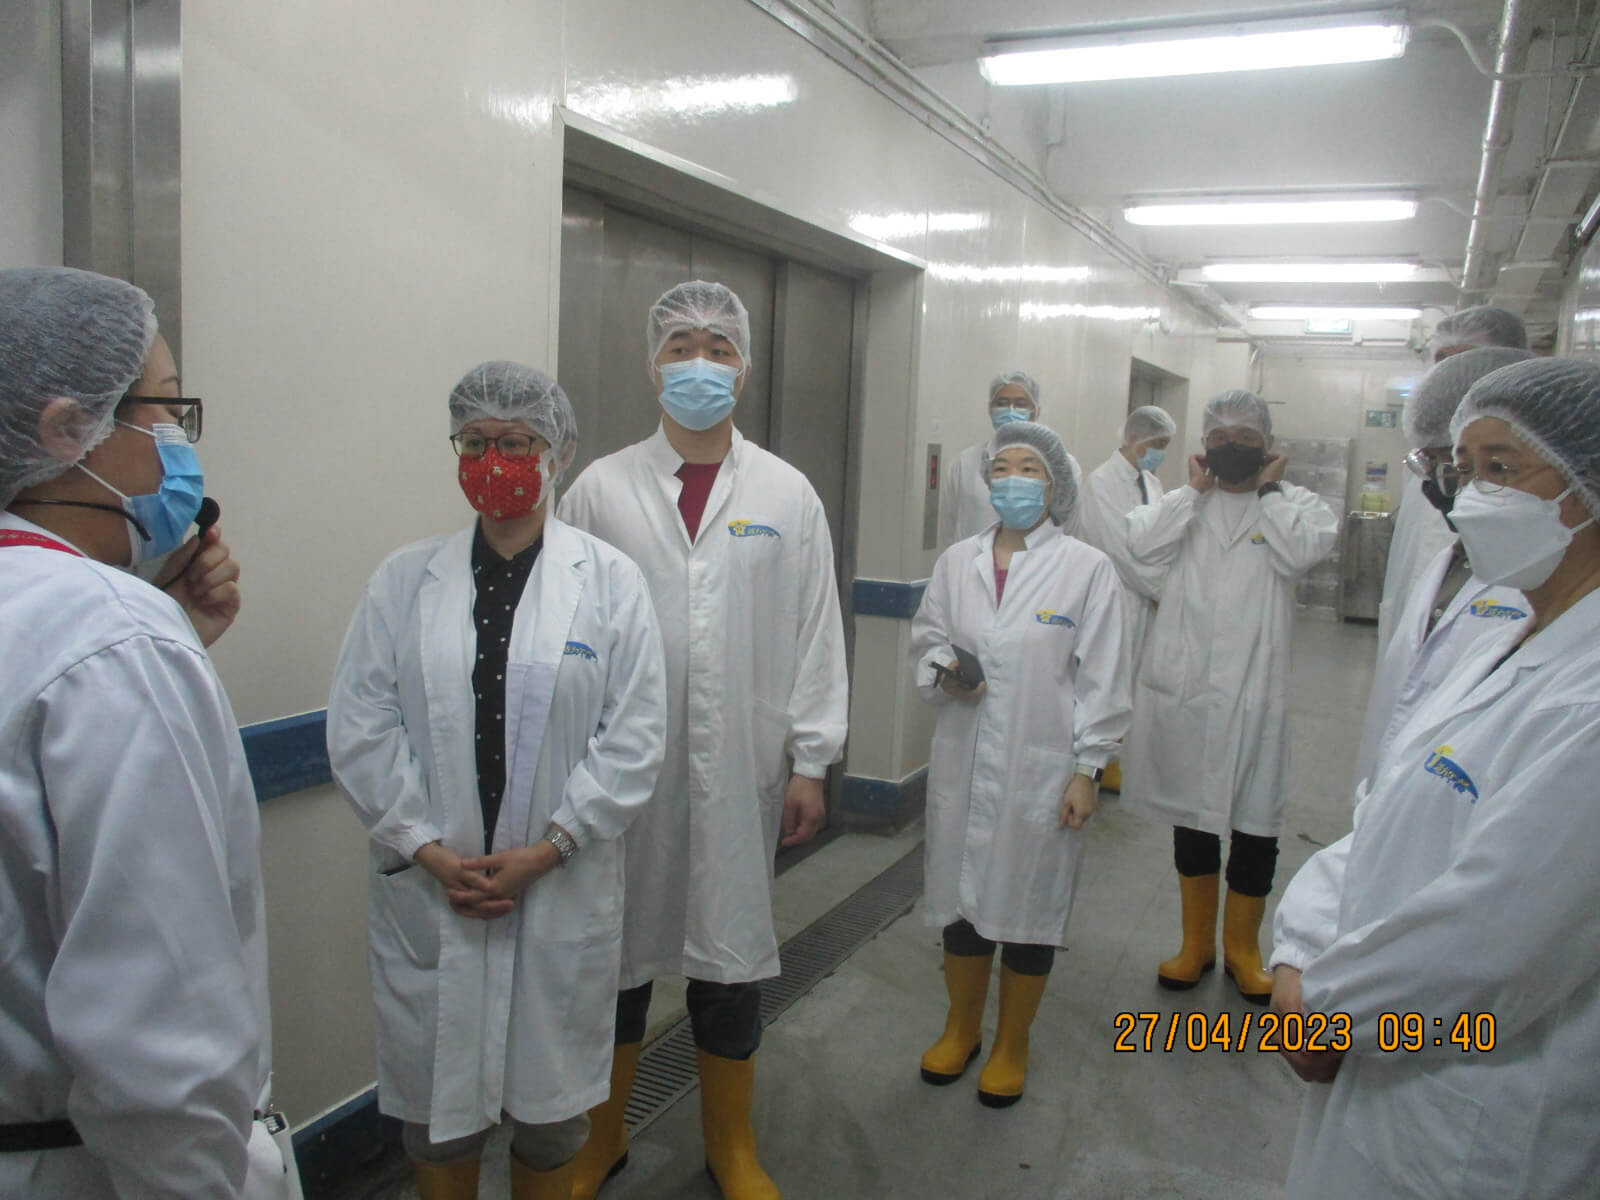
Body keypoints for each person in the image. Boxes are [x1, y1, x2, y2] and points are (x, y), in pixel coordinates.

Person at [326, 363, 667, 1200]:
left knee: (552, 1125)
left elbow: (633, 736)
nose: (493, 460)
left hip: (557, 882)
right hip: (434, 886)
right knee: (437, 1120)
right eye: (474, 442)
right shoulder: (404, 581)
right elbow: (362, 726)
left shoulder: (610, 583)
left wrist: (550, 849)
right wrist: (427, 849)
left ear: (556, 452)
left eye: (515, 440)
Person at [1270, 356, 1600, 1198]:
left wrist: (1329, 1012)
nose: (1473, 496)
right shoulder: (1505, 640)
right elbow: (1381, 813)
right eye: (1465, 469)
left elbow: (1498, 936)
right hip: (1374, 1044)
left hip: (1474, 1112)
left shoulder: (1587, 696)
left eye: (1502, 469)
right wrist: (1298, 954)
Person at [0, 266, 298, 1197]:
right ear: (68, 429)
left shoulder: (78, 624)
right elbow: (160, 1039)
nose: (176, 439)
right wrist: (152, 640)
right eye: (165, 409)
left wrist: (175, 637)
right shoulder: (114, 639)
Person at [558, 281, 849, 1200]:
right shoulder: (599, 490)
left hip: (740, 768)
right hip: (619, 772)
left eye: (719, 348)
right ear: (652, 367)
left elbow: (816, 631)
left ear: (744, 369)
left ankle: (732, 1144)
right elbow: (563, 630)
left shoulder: (786, 494)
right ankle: (601, 1136)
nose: (699, 363)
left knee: (729, 959)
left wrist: (813, 760)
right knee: (614, 960)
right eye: (680, 345)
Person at [911, 420, 1129, 1107]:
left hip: (1043, 767)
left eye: (1029, 470)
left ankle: (1012, 1043)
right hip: (963, 757)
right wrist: (944, 672)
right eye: (1002, 467)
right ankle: (961, 1028)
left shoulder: (1086, 569)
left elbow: (1103, 680)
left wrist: (1088, 770)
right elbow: (929, 639)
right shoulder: (958, 562)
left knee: (1029, 907)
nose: (1013, 480)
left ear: (1055, 486)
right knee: (962, 902)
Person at [1124, 389, 1338, 1002]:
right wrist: (1191, 493)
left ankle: (1244, 951)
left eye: (1247, 438)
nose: (1232, 447)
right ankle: (1195, 945)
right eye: (1220, 437)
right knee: (1192, 820)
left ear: (1268, 447)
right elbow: (1141, 545)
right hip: (1189, 690)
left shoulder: (1297, 506)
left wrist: (1269, 493)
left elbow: (1300, 552)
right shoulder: (1184, 503)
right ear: (1203, 446)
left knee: (1256, 825)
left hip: (1255, 692)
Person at [1352, 346, 1534, 786]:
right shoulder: (1450, 561)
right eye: (1437, 465)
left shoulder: (1544, 583)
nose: (1446, 484)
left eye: (1493, 467)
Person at [1374, 306, 1529, 661]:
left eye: (1468, 363)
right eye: (1442, 363)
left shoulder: (1528, 471)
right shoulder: (1423, 464)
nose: (1451, 379)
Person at [1081, 404, 1177, 792]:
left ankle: (1116, 762)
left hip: (1142, 602)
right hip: (1114, 595)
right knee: (1106, 680)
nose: (1160, 453)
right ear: (1135, 438)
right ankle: (1091, 764)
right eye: (1157, 444)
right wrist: (1164, 589)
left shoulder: (1151, 482)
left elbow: (1161, 540)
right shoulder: (1101, 482)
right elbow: (1118, 550)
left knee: (1133, 681)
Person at [940, 370, 1041, 547]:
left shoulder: (1059, 467)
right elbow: (949, 527)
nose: (1010, 410)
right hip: (972, 562)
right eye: (1002, 403)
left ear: (1036, 410)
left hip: (1037, 563)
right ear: (990, 409)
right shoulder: (964, 463)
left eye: (1020, 404)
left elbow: (1067, 528)